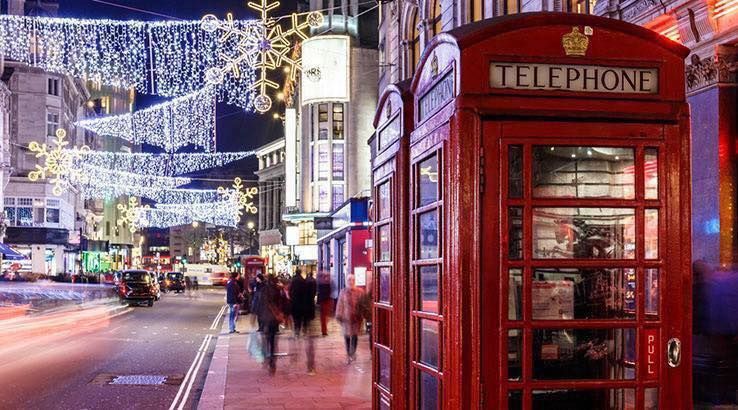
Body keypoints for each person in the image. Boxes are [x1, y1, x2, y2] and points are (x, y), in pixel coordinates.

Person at [256, 275, 287, 375]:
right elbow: (284, 303)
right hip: (274, 319)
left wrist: (255, 316)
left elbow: (258, 303)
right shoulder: (278, 290)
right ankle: (272, 361)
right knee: (273, 340)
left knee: (266, 339)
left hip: (265, 318)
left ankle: (266, 357)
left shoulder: (263, 290)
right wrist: (282, 315)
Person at [335, 274, 365, 364]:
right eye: (349, 280)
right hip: (346, 318)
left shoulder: (360, 292)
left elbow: (363, 304)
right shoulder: (343, 292)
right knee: (347, 336)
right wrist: (338, 315)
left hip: (356, 318)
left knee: (355, 336)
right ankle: (348, 353)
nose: (350, 281)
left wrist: (363, 314)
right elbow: (340, 304)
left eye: (352, 280)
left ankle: (353, 352)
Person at [316, 271, 333, 336]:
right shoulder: (327, 284)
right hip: (326, 301)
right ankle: (324, 330)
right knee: (324, 316)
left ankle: (324, 329)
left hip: (323, 301)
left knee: (323, 317)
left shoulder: (320, 284)